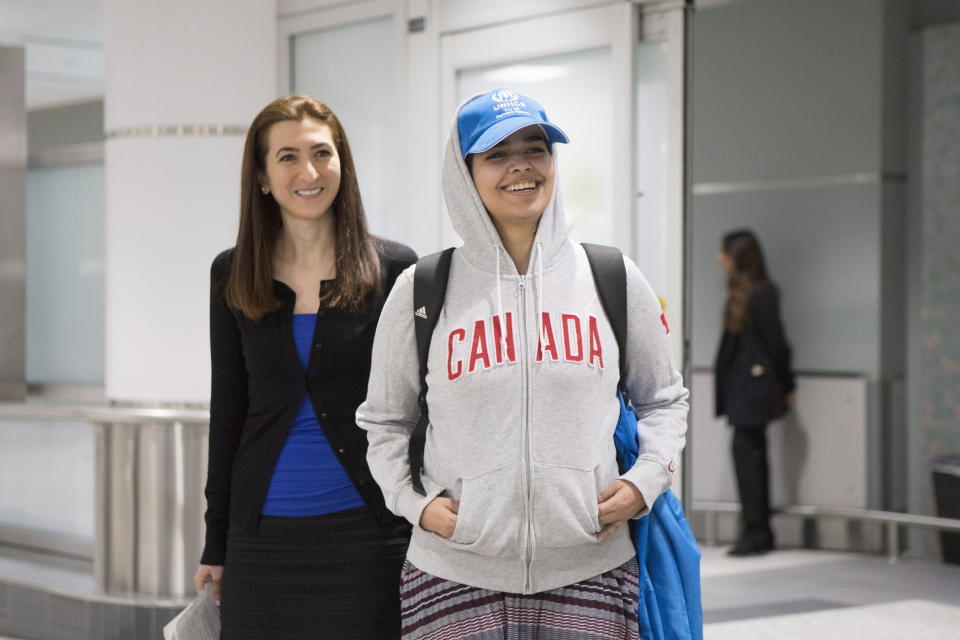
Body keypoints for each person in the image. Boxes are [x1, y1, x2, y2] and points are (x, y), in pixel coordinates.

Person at [356, 88, 689, 639]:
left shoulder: (613, 277)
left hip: (591, 570)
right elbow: (385, 420)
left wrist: (643, 483)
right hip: (451, 574)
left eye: (535, 148)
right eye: (496, 154)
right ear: (465, 172)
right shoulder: (421, 289)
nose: (521, 166)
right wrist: (414, 502)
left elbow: (664, 399)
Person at [192, 95, 417, 639]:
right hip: (260, 537)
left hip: (369, 530)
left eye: (322, 152)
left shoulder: (395, 270)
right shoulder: (233, 273)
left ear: (342, 163)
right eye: (288, 157)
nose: (309, 171)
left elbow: (419, 408)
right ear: (264, 178)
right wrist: (215, 539)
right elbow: (230, 413)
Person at [714, 229, 795, 556]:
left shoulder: (761, 294)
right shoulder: (741, 291)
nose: (719, 259)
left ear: (738, 256)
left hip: (754, 391)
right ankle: (756, 530)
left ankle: (757, 531)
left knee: (750, 460)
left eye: (724, 253)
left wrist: (788, 384)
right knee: (750, 458)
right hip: (745, 391)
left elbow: (777, 343)